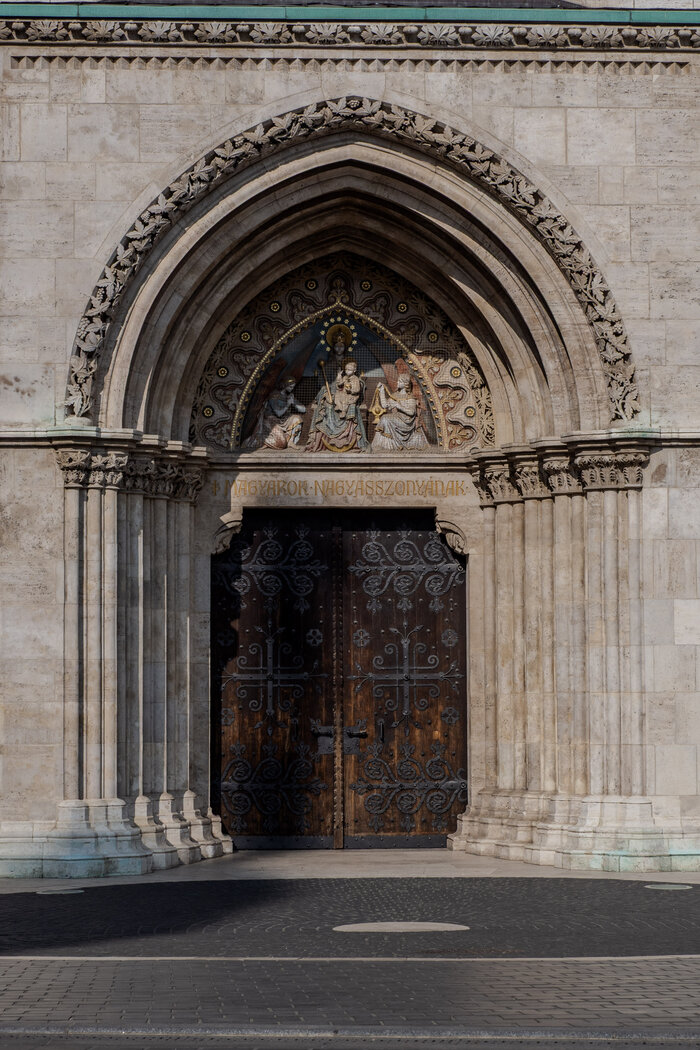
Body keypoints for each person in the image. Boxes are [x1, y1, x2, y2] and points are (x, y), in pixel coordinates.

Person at [305, 360, 369, 453]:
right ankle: (339, 408)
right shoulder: (345, 377)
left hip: (351, 397)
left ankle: (343, 411)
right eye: (346, 370)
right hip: (343, 395)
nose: (347, 371)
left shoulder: (355, 379)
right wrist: (339, 376)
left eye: (350, 370)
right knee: (337, 397)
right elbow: (339, 384)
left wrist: (350, 389)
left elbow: (357, 389)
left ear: (354, 370)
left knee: (346, 401)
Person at [243, 376, 306, 450]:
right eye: (290, 386)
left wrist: (294, 403)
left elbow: (303, 410)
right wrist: (288, 404)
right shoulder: (274, 395)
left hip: (284, 420)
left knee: (297, 418)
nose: (292, 388)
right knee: (282, 444)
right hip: (271, 422)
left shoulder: (289, 396)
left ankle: (291, 442)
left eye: (293, 386)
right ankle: (261, 440)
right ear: (285, 385)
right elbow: (278, 413)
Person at [370, 372, 428, 451]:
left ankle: (387, 446)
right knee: (384, 418)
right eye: (398, 381)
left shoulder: (410, 397)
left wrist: (398, 406)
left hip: (406, 421)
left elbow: (412, 412)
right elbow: (385, 406)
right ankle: (384, 445)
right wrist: (382, 392)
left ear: (405, 384)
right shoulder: (395, 395)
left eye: (400, 381)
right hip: (397, 418)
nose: (397, 383)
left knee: (385, 419)